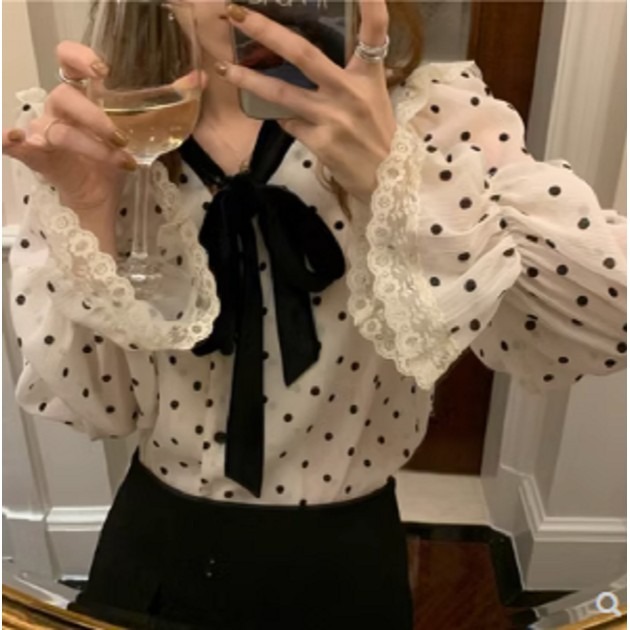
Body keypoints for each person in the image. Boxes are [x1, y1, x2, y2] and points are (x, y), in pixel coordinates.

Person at [3, 0, 626, 629]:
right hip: (154, 549)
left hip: (346, 558)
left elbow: (608, 326)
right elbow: (101, 409)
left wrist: (398, 185)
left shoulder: (435, 120)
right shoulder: (113, 130)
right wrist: (88, 209)